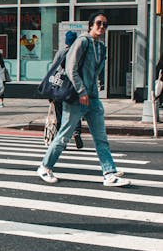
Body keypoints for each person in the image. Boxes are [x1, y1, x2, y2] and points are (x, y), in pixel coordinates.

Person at [37, 11, 130, 187]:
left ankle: (109, 173)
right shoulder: (82, 41)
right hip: (76, 98)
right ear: (91, 25)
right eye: (98, 23)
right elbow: (71, 67)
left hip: (93, 98)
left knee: (101, 138)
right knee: (64, 135)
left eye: (104, 24)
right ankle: (44, 166)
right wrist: (81, 91)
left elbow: (96, 72)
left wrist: (95, 88)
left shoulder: (101, 47)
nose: (102, 27)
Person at [50, 31, 83, 150]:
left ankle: (61, 140)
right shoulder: (79, 53)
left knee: (60, 114)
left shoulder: (61, 52)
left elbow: (53, 69)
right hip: (74, 87)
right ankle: (76, 132)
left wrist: (51, 89)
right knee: (75, 112)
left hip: (60, 87)